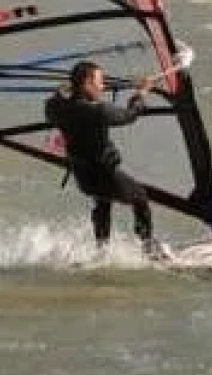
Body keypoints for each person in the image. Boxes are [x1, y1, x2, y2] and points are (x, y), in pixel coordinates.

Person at [45, 60, 170, 259]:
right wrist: (141, 93)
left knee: (103, 202)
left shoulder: (56, 108)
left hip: (83, 178)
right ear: (87, 83)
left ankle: (101, 250)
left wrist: (64, 91)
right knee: (140, 198)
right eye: (100, 82)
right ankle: (148, 248)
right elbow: (130, 115)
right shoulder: (98, 111)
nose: (103, 87)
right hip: (105, 175)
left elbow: (55, 100)